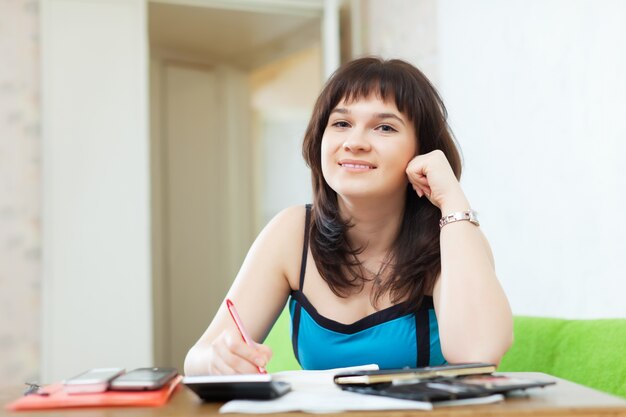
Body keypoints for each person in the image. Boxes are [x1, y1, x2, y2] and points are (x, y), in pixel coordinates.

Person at [184, 57, 513, 375]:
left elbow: (478, 354)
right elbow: (197, 358)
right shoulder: (293, 232)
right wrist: (216, 359)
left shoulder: (453, 235)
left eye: (384, 127)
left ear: (423, 150)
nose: (355, 142)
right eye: (341, 123)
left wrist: (452, 200)